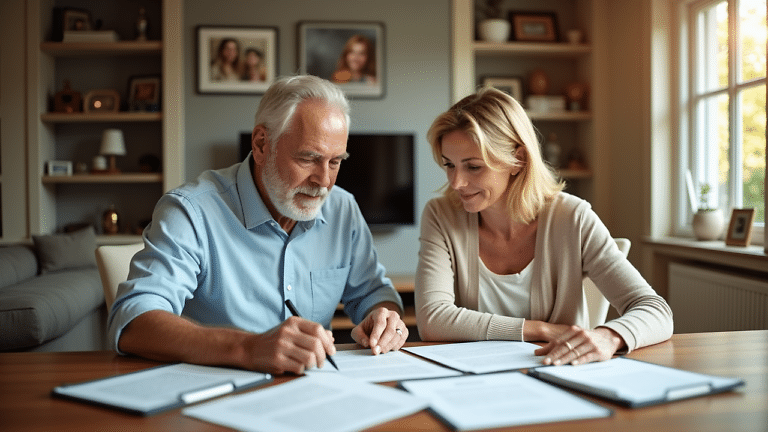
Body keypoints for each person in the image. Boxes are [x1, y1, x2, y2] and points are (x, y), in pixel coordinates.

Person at [108, 75, 408, 375]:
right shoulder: (191, 211)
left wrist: (383, 317)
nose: (324, 181)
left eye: (335, 162)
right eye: (308, 159)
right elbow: (134, 322)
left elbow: (374, 293)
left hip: (313, 391)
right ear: (262, 143)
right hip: (211, 394)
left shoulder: (342, 208)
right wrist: (247, 348)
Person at [415, 86, 673, 366]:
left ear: (518, 160)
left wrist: (609, 336)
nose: (456, 183)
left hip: (557, 374)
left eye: (473, 167)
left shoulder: (572, 217)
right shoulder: (441, 215)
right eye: (449, 165)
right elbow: (433, 319)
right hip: (473, 379)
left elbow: (655, 310)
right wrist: (541, 329)